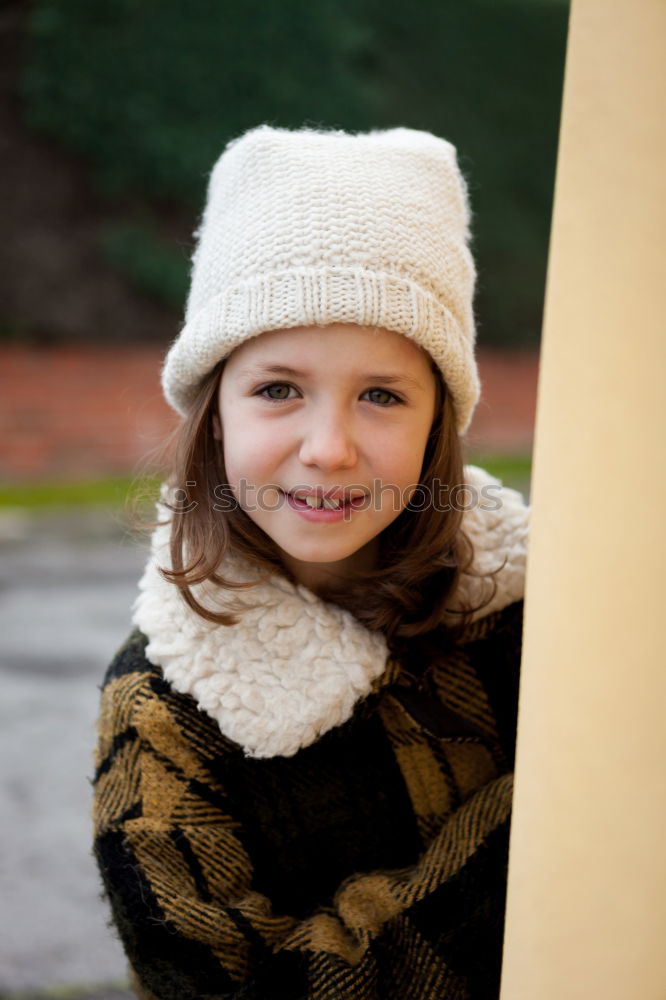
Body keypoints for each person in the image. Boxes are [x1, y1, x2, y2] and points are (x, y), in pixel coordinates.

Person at [92, 124, 529, 1000]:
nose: (327, 449)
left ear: (438, 421)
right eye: (278, 389)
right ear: (214, 411)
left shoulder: (548, 616)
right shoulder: (160, 721)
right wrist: (535, 835)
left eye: (381, 395)